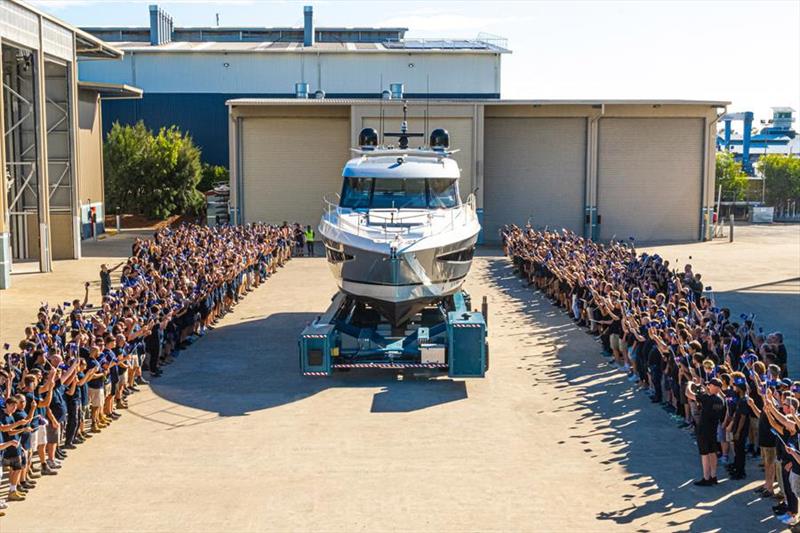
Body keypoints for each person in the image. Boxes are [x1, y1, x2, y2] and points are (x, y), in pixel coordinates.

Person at [687, 378, 726, 485]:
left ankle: (706, 478)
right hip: (713, 429)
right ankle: (713, 476)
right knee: (712, 452)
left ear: (714, 387)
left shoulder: (707, 398)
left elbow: (688, 394)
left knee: (704, 453)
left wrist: (690, 383)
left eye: (710, 385)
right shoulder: (720, 400)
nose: (708, 386)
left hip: (704, 429)